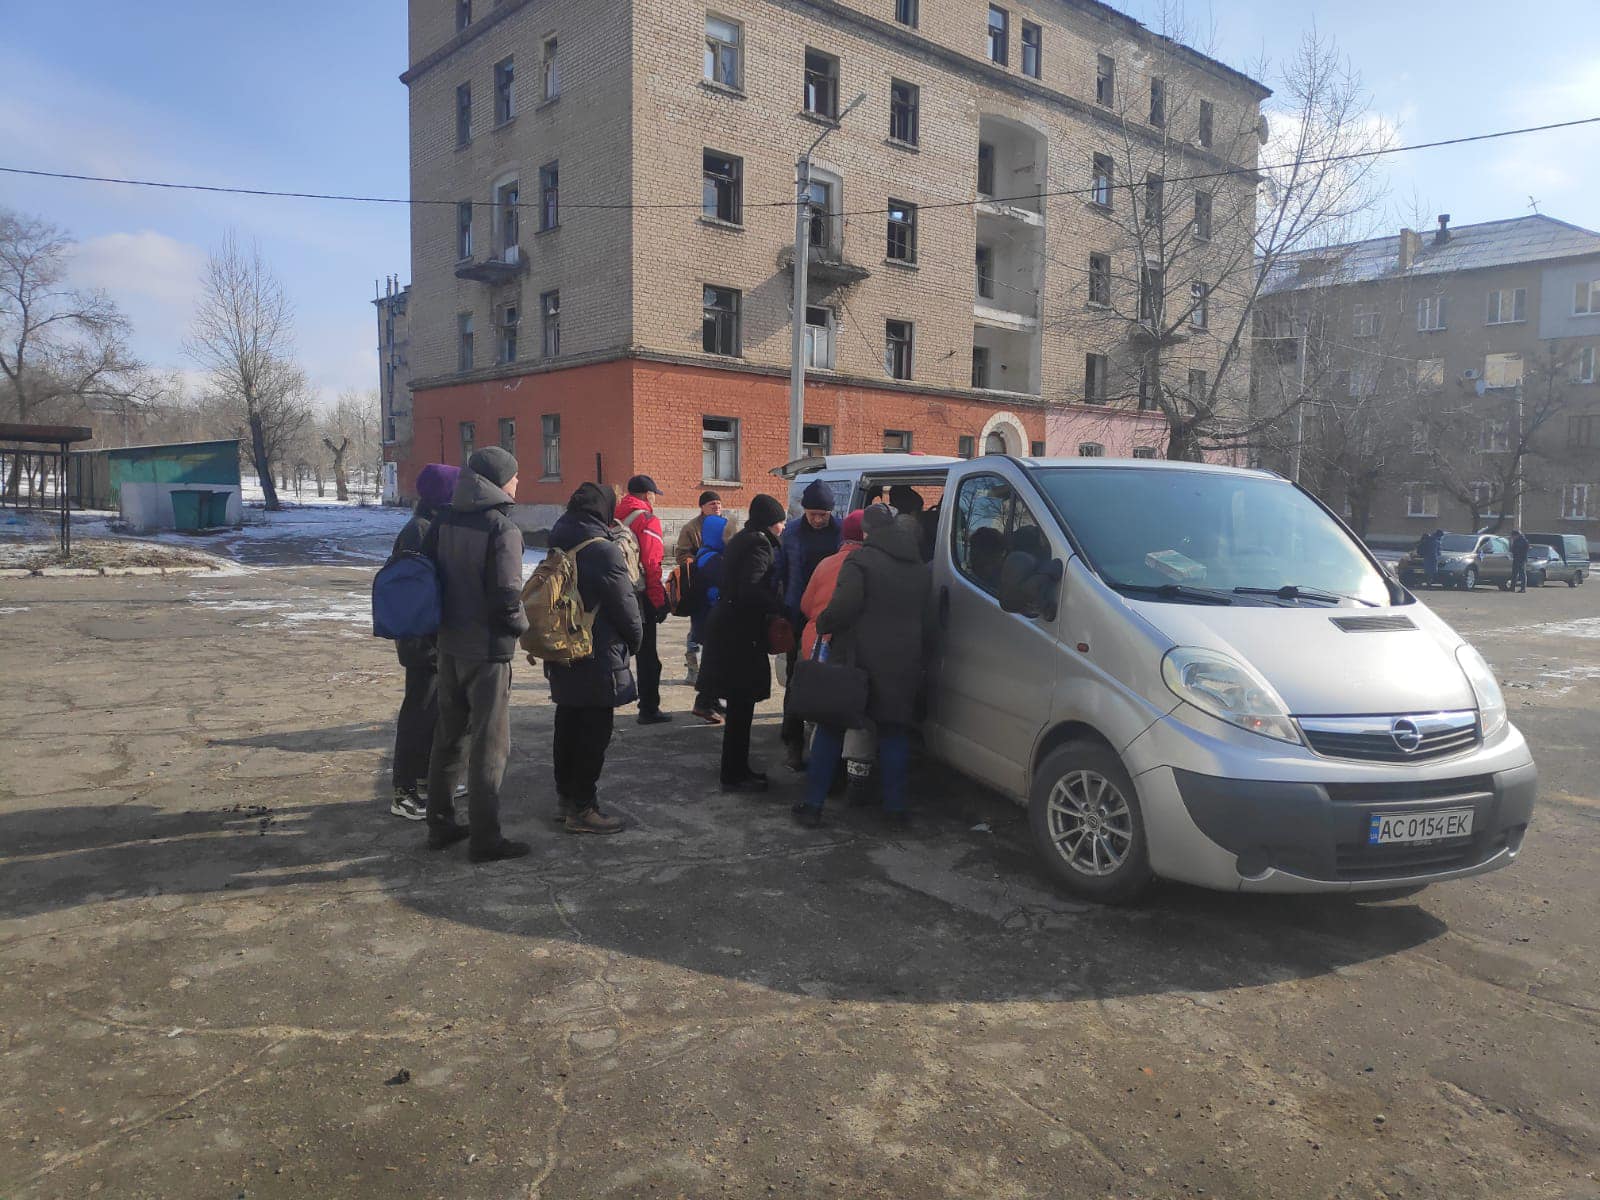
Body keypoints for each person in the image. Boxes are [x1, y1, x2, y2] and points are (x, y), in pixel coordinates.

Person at [423, 447, 530, 862]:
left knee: (449, 738)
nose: (518, 482)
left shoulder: (444, 519)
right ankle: (486, 840)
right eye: (515, 475)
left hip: (449, 646)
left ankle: (441, 825)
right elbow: (507, 597)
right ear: (498, 480)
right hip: (487, 653)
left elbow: (431, 578)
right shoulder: (502, 528)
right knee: (490, 746)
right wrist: (522, 629)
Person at [795, 504, 932, 828]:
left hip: (858, 662)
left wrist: (825, 621)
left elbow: (843, 607)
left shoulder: (860, 560)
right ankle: (895, 811)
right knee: (894, 733)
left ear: (867, 532)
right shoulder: (919, 567)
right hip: (902, 663)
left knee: (830, 729)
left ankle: (813, 805)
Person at [544, 483, 641, 834]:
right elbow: (627, 608)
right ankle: (584, 808)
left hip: (562, 648)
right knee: (594, 733)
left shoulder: (558, 540)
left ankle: (565, 798)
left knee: (567, 724)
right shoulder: (602, 550)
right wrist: (635, 641)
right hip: (597, 652)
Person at [698, 493, 788, 794]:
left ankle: (736, 769)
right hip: (740, 636)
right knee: (741, 707)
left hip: (730, 631)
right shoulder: (759, 544)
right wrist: (778, 605)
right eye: (780, 521)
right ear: (769, 522)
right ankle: (735, 775)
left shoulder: (743, 538)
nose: (783, 527)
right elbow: (750, 589)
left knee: (739, 707)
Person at [387, 462, 459, 820]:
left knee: (433, 712)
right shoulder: (419, 531)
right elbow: (416, 591)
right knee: (418, 713)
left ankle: (428, 779)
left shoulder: (429, 526)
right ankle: (404, 791)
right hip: (420, 640)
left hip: (430, 638)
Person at [778, 480, 842, 769]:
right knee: (796, 680)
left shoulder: (841, 533)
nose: (818, 519)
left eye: (823, 514)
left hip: (832, 619)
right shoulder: (790, 533)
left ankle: (829, 748)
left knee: (832, 682)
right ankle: (793, 742)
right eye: (813, 513)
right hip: (798, 615)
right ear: (804, 510)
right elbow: (780, 573)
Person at [616, 475, 671, 725]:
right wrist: (658, 600)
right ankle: (649, 708)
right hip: (639, 594)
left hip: (615, 591)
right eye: (653, 494)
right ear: (646, 495)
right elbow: (652, 564)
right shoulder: (647, 520)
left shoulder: (612, 516)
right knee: (649, 656)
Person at [674, 491, 736, 686]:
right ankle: (693, 666)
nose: (716, 506)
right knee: (697, 629)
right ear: (702, 507)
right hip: (698, 583)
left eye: (719, 503)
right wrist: (699, 564)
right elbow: (682, 553)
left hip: (715, 580)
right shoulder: (691, 528)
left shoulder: (725, 525)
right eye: (712, 504)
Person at [688, 512, 729, 723]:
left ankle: (711, 701)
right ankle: (704, 702)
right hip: (711, 617)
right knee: (714, 661)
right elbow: (723, 584)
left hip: (704, 616)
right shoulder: (712, 559)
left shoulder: (706, 553)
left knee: (713, 660)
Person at [1511, 528, 1530, 593]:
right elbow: (1513, 549)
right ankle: (1512, 588)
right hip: (1516, 559)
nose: (1512, 537)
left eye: (1513, 536)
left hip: (1521, 559)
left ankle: (1523, 588)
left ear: (1517, 535)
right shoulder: (1516, 541)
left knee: (1522, 574)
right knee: (1514, 574)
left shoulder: (1523, 541)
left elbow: (1524, 550)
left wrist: (1517, 552)